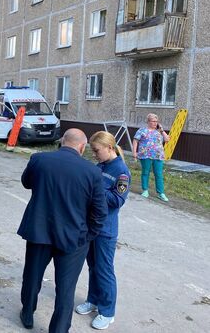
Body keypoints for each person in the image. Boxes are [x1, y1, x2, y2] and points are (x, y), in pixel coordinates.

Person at [17, 128, 108, 332]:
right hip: (74, 238)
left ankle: (27, 313)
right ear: (82, 147)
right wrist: (88, 235)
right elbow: (100, 212)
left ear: (62, 141)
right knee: (66, 289)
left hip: (39, 232)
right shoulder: (92, 171)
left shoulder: (39, 160)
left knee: (32, 276)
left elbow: (26, 183)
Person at [75, 131, 130, 330]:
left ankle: (107, 312)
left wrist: (96, 191)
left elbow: (117, 200)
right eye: (92, 151)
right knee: (93, 267)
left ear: (109, 148)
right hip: (92, 226)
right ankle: (93, 300)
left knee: (105, 270)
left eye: (97, 151)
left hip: (106, 230)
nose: (95, 155)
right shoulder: (100, 166)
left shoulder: (121, 171)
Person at [132, 113, 170, 202]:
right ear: (148, 121)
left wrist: (162, 130)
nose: (155, 123)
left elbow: (167, 139)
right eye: (153, 121)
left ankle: (161, 193)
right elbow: (135, 141)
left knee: (158, 174)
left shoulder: (159, 131)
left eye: (156, 121)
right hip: (145, 155)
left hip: (158, 155)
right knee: (145, 172)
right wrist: (134, 152)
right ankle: (145, 190)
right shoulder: (142, 130)